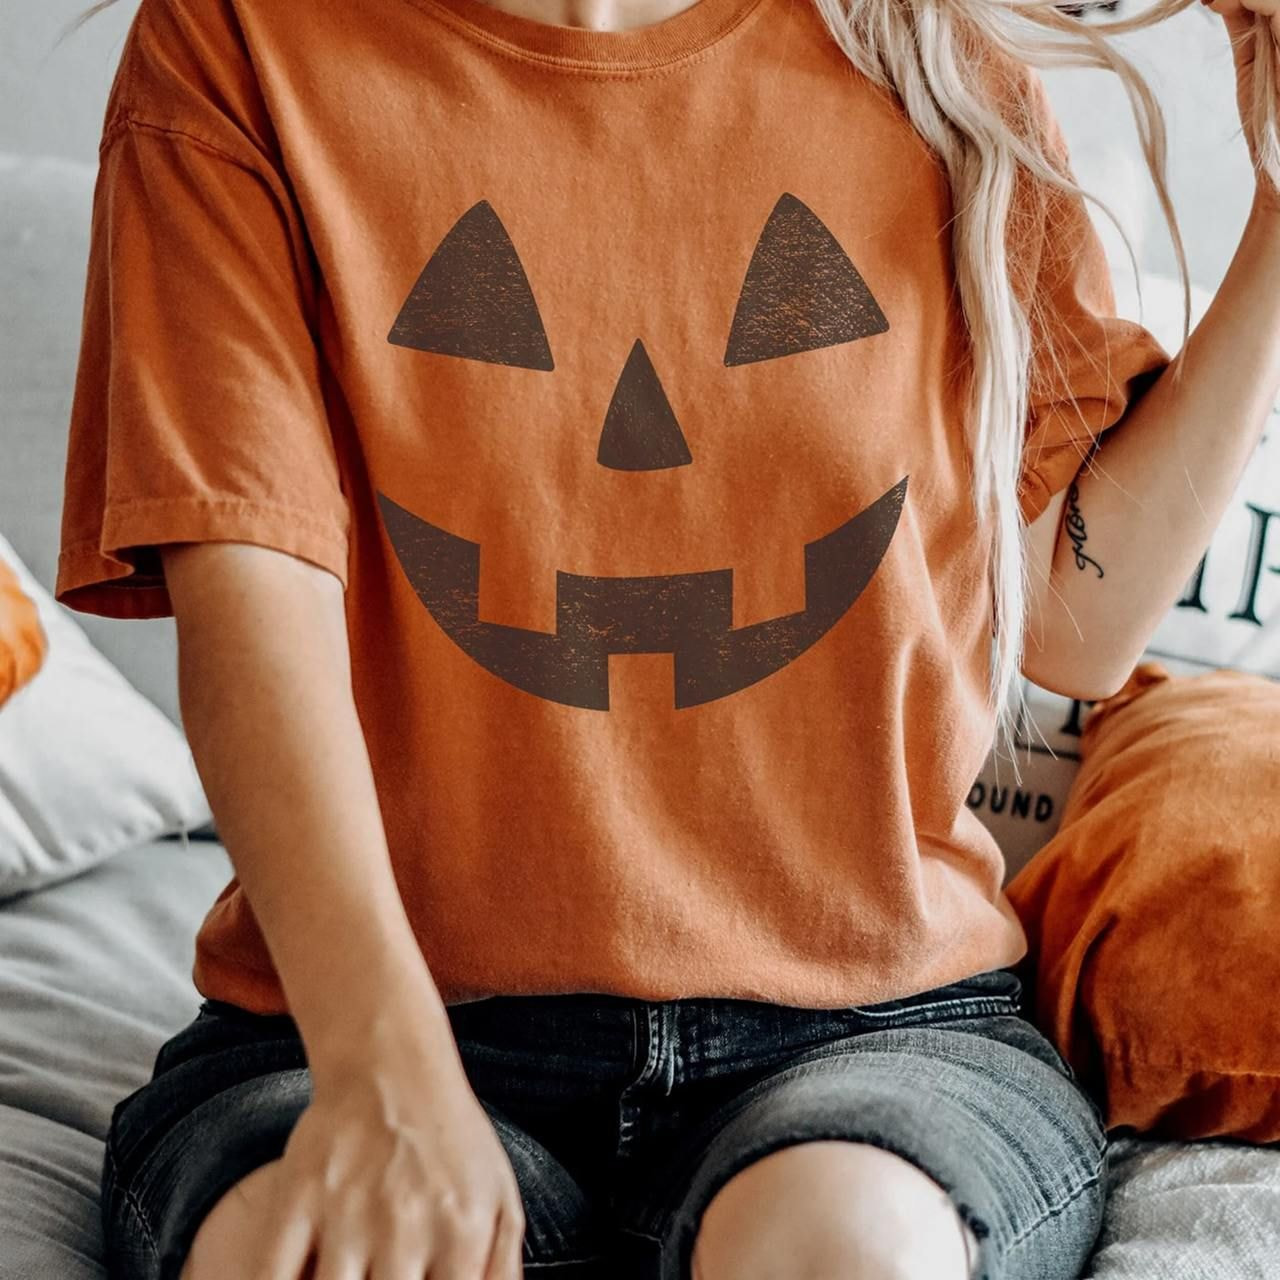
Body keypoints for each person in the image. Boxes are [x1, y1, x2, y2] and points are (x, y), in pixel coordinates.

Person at [53, 0, 1280, 1276]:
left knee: (846, 1248)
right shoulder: (237, 40)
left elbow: (1075, 625)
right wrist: (385, 1070)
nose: (640, 449)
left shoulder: (929, 64)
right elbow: (253, 593)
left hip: (866, 1030)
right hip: (351, 1022)